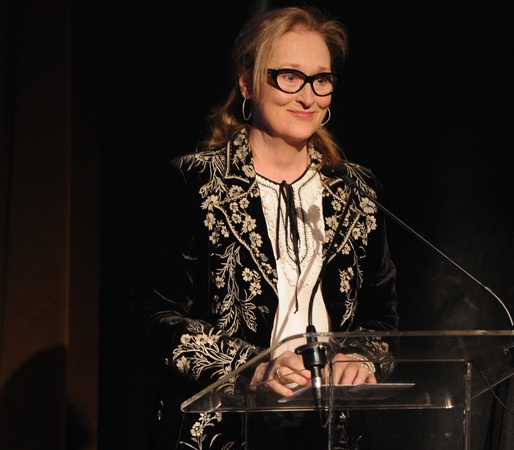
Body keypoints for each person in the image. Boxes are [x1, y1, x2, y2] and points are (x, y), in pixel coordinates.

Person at [131, 6, 399, 449]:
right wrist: (253, 368)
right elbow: (151, 319)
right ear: (246, 82)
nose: (307, 96)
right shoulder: (193, 182)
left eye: (321, 80)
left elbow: (381, 319)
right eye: (289, 77)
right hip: (221, 432)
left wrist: (362, 358)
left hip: (332, 432)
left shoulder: (356, 189)